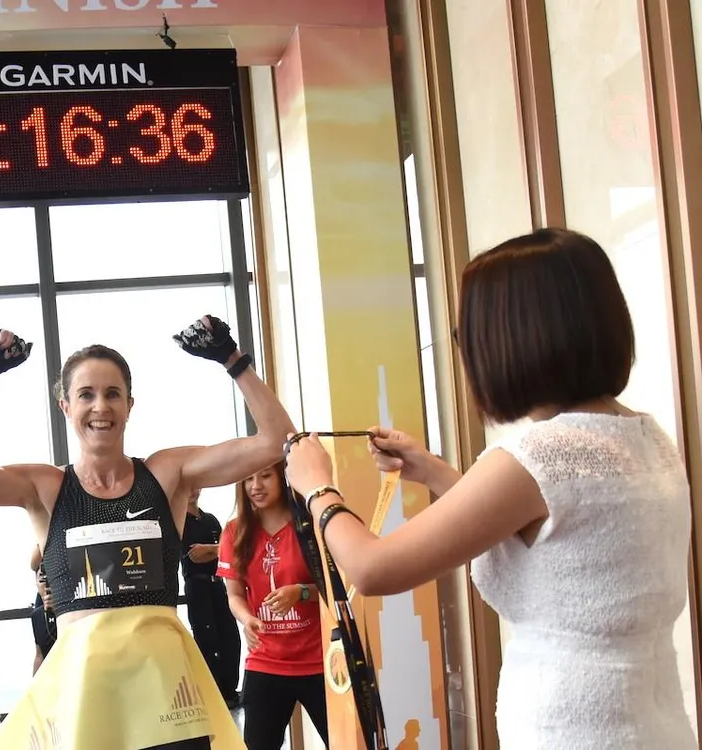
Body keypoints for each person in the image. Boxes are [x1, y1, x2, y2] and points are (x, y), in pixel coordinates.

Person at [284, 228, 697, 749]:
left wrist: (317, 486)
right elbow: (545, 533)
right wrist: (432, 471)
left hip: (573, 731)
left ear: (512, 339)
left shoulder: (539, 455)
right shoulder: (644, 437)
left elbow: (372, 568)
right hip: (654, 723)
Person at [0, 316, 294, 749]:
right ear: (66, 406)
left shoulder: (166, 474)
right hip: (87, 702)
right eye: (86, 394)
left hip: (168, 699)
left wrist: (233, 360)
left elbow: (277, 441)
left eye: (113, 394)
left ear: (130, 405)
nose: (101, 406)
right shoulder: (45, 487)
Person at [217, 463, 327, 749]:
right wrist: (247, 619)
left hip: (319, 660)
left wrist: (301, 592)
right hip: (265, 661)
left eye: (265, 476)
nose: (256, 486)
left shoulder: (311, 525)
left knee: (349, 742)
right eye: (248, 479)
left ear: (282, 477)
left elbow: (338, 588)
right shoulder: (234, 531)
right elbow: (234, 595)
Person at [181, 488, 240, 708]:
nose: (192, 491)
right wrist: (218, 549)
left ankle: (230, 692)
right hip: (197, 587)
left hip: (219, 585)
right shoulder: (179, 521)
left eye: (196, 485)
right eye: (188, 486)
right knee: (207, 640)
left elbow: (230, 551)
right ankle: (213, 696)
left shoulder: (211, 520)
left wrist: (212, 549)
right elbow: (194, 556)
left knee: (231, 638)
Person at [29, 545, 56, 675]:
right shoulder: (36, 615)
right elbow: (39, 655)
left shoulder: (74, 611)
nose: (46, 584)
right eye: (42, 579)